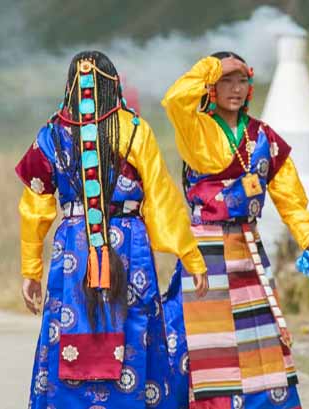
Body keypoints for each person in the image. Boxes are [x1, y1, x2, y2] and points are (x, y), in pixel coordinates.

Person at [16, 50, 208, 409]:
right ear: (114, 82)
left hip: (74, 247)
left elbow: (35, 207)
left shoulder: (50, 135)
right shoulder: (134, 129)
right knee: (134, 327)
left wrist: (31, 270)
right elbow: (161, 197)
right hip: (127, 241)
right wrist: (190, 256)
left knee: (69, 326)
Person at [161, 51, 309, 409]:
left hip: (248, 250)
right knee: (202, 346)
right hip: (204, 251)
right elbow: (174, 98)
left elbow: (289, 194)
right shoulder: (196, 128)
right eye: (226, 81)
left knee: (260, 345)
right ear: (211, 88)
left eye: (241, 80)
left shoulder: (264, 137)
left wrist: (308, 236)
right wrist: (212, 66)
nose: (235, 88)